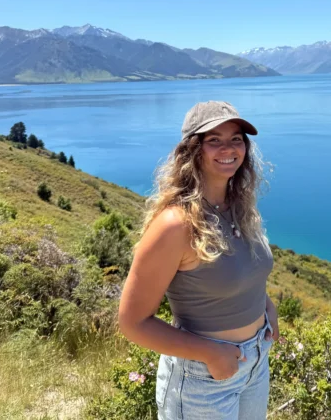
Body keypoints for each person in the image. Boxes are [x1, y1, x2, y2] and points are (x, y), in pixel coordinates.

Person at [119, 100, 278, 420]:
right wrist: (210, 353)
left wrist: (268, 311)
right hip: (201, 378)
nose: (228, 148)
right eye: (214, 140)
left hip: (255, 362)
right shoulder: (175, 225)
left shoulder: (240, 208)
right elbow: (132, 322)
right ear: (192, 150)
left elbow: (246, 273)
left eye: (236, 139)